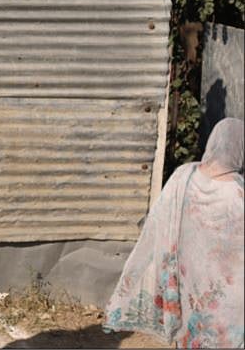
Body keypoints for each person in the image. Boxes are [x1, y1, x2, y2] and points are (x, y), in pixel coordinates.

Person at [104, 117, 244, 348]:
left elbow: (158, 223)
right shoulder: (238, 193)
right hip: (228, 299)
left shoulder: (183, 176)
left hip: (188, 282)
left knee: (191, 331)